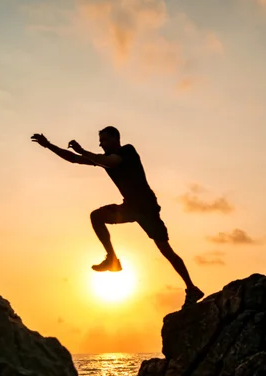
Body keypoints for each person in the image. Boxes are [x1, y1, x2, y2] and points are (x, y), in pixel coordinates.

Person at [31, 126, 205, 307]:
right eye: (100, 140)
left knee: (166, 251)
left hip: (147, 208)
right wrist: (49, 145)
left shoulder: (127, 151)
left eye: (104, 140)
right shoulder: (102, 158)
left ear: (115, 139)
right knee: (97, 216)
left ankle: (192, 288)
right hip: (129, 208)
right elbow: (74, 159)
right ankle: (112, 260)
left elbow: (112, 162)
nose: (100, 143)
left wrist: (83, 150)